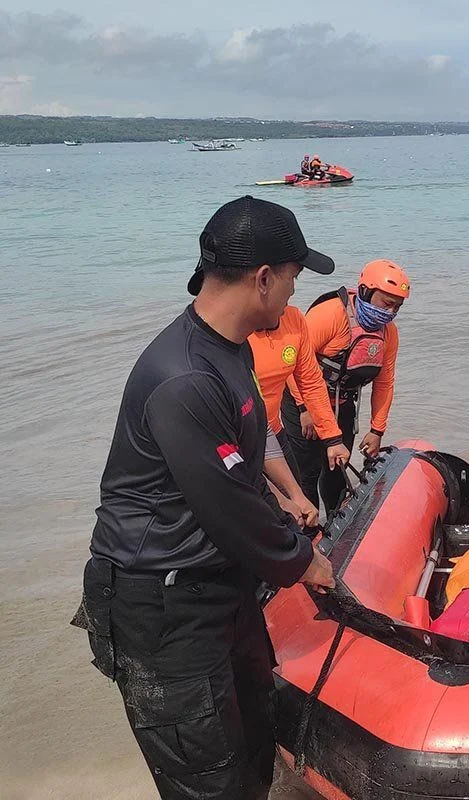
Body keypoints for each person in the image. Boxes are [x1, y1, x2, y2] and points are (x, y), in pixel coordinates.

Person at [72, 195, 338, 799]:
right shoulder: (185, 376)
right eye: (294, 279)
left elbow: (249, 443)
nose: (296, 295)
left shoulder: (232, 347)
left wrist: (289, 495)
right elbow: (229, 506)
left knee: (253, 750)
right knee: (208, 783)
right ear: (263, 277)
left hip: (219, 584)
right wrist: (303, 560)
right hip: (160, 603)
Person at [282, 258, 408, 513]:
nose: (390, 312)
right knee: (306, 473)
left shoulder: (388, 333)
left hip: (343, 407)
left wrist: (376, 430)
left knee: (336, 471)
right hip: (303, 404)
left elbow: (384, 382)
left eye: (397, 307)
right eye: (386, 303)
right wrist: (304, 408)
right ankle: (307, 530)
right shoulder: (330, 315)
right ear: (364, 291)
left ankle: (337, 527)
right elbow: (292, 363)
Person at [249, 305, 351, 521]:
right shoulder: (237, 330)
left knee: (298, 499)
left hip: (272, 431)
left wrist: (332, 438)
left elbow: (311, 381)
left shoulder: (293, 318)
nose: (293, 288)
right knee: (270, 509)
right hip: (241, 435)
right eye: (290, 278)